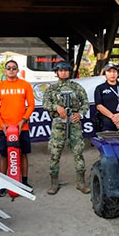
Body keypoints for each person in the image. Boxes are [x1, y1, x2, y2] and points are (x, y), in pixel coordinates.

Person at [43, 61, 90, 194]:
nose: (63, 73)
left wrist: (80, 114)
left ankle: (81, 183)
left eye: (66, 70)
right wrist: (56, 107)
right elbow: (45, 103)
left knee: (78, 152)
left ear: (69, 72)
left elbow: (85, 103)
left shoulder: (76, 87)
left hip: (74, 124)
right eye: (60, 70)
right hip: (58, 124)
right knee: (55, 153)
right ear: (57, 72)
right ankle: (54, 183)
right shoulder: (52, 88)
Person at [0, 59, 35, 194]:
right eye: (8, 68)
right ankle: (2, 184)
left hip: (22, 127)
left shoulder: (25, 85)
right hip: (4, 128)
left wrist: (23, 120)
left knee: (23, 154)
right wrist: (1, 124)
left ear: (17, 70)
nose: (11, 70)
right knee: (4, 155)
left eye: (14, 68)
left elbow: (31, 105)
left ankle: (24, 182)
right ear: (5, 70)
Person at [94, 63, 119, 132]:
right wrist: (113, 118)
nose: (112, 74)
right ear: (105, 74)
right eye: (109, 72)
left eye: (114, 72)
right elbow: (99, 106)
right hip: (106, 121)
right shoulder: (100, 88)